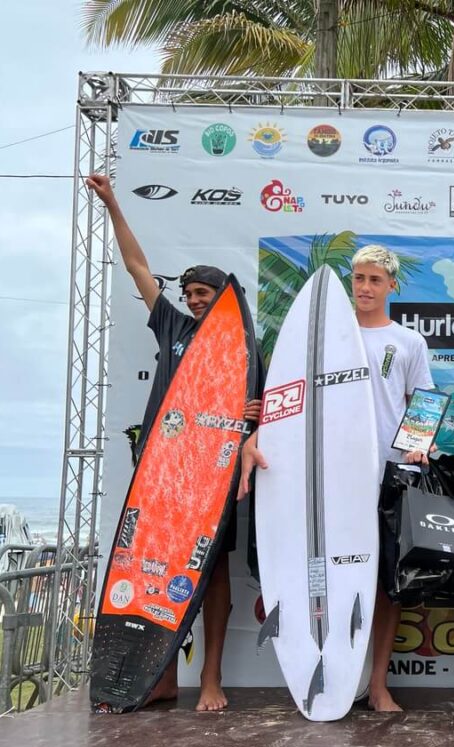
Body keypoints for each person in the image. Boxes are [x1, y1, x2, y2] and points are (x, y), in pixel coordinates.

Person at [86, 174, 261, 712]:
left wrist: (253, 420)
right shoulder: (171, 327)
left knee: (207, 577)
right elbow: (138, 267)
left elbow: (263, 414)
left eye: (203, 294)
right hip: (161, 476)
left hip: (213, 483)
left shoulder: (245, 349)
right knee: (147, 574)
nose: (193, 301)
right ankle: (158, 675)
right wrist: (114, 203)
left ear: (223, 298)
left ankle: (210, 677)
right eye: (188, 295)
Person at [239, 244, 433, 713]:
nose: (365, 288)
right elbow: (289, 403)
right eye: (359, 279)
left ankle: (379, 683)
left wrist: (420, 444)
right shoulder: (320, 340)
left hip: (387, 478)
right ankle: (317, 665)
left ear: (391, 286)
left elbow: (423, 404)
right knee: (321, 568)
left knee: (387, 584)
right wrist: (256, 434)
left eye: (375, 280)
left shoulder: (407, 343)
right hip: (325, 480)